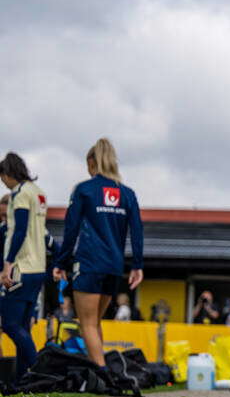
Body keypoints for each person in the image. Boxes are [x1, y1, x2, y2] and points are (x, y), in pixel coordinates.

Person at [52, 138, 144, 375]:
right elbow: (137, 230)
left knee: (87, 324)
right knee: (95, 323)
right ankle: (103, 372)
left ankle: (104, 377)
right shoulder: (128, 194)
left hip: (90, 262)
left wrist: (61, 262)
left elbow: (70, 229)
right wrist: (137, 265)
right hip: (114, 266)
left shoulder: (84, 190)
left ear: (92, 162)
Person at [0, 153, 50, 380]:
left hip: (22, 266)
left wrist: (8, 263)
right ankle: (23, 379)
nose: (3, 183)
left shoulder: (19, 193)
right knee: (23, 328)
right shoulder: (38, 192)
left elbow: (19, 230)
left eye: (2, 178)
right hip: (39, 266)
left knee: (10, 325)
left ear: (8, 174)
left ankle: (41, 370)